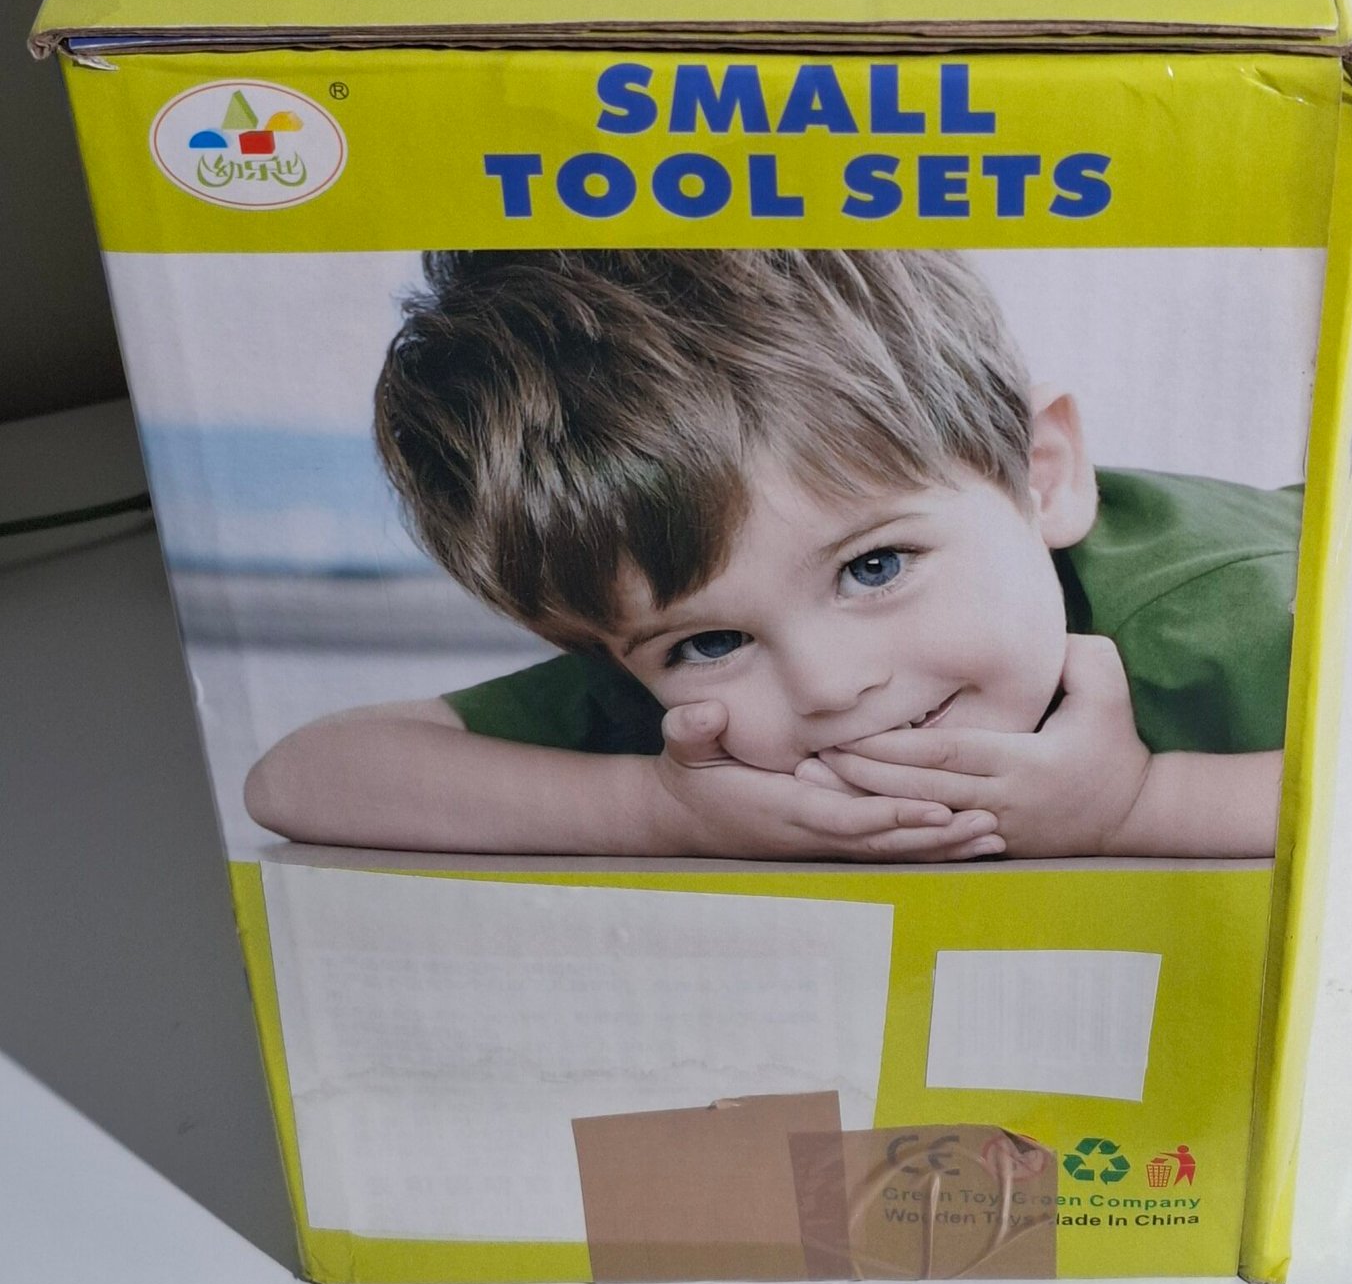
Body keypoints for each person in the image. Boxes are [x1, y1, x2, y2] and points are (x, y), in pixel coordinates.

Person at [244, 249, 1292, 861]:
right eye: (710, 642)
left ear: (1041, 476)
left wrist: (1136, 803)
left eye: (874, 567)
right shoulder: (693, 727)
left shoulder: (1225, 610)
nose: (829, 688)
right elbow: (299, 778)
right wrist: (662, 813)